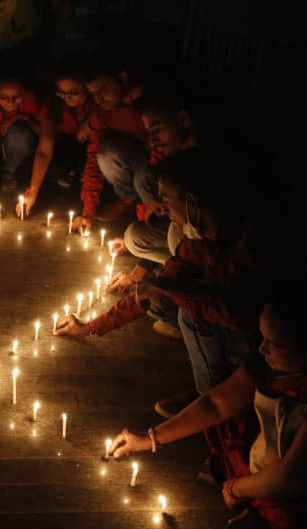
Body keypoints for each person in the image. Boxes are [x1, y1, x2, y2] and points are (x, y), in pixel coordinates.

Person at [108, 297, 307, 529]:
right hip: (294, 453)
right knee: (230, 425)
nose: (260, 348)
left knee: (284, 508)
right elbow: (216, 403)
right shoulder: (274, 362)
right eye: (262, 337)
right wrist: (149, 439)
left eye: (273, 345)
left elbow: (289, 477)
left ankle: (265, 519)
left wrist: (235, 489)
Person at [55, 149, 268, 418]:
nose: (163, 208)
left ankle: (211, 398)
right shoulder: (197, 244)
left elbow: (240, 313)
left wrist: (170, 291)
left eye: (167, 199)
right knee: (159, 303)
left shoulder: (248, 244)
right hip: (236, 327)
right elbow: (156, 287)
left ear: (192, 202)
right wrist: (89, 328)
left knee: (189, 315)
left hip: (265, 350)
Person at [105, 92, 203, 340]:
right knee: (134, 236)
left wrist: (155, 282)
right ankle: (170, 279)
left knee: (159, 304)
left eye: (156, 128)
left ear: (183, 118)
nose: (152, 140)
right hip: (190, 245)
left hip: (212, 289)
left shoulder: (201, 167)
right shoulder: (171, 156)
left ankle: (183, 314)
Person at [72, 64, 148, 234]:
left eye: (102, 90)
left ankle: (148, 216)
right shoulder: (101, 110)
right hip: (130, 158)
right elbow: (94, 156)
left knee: (143, 176)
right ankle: (128, 201)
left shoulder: (145, 104)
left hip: (156, 164)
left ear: (122, 78)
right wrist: (89, 211)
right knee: (106, 153)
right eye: (93, 93)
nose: (98, 99)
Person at [0, 74, 56, 219]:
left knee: (19, 135)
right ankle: (1, 173)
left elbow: (44, 148)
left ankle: (10, 169)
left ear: (24, 92)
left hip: (16, 142)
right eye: (4, 97)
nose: (10, 102)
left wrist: (32, 193)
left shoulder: (34, 100)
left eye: (16, 97)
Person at [48, 59, 94, 189]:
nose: (67, 98)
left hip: (93, 142)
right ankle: (70, 173)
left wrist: (89, 124)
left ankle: (84, 174)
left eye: (74, 93)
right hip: (70, 140)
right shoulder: (60, 106)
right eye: (62, 93)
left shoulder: (94, 104)